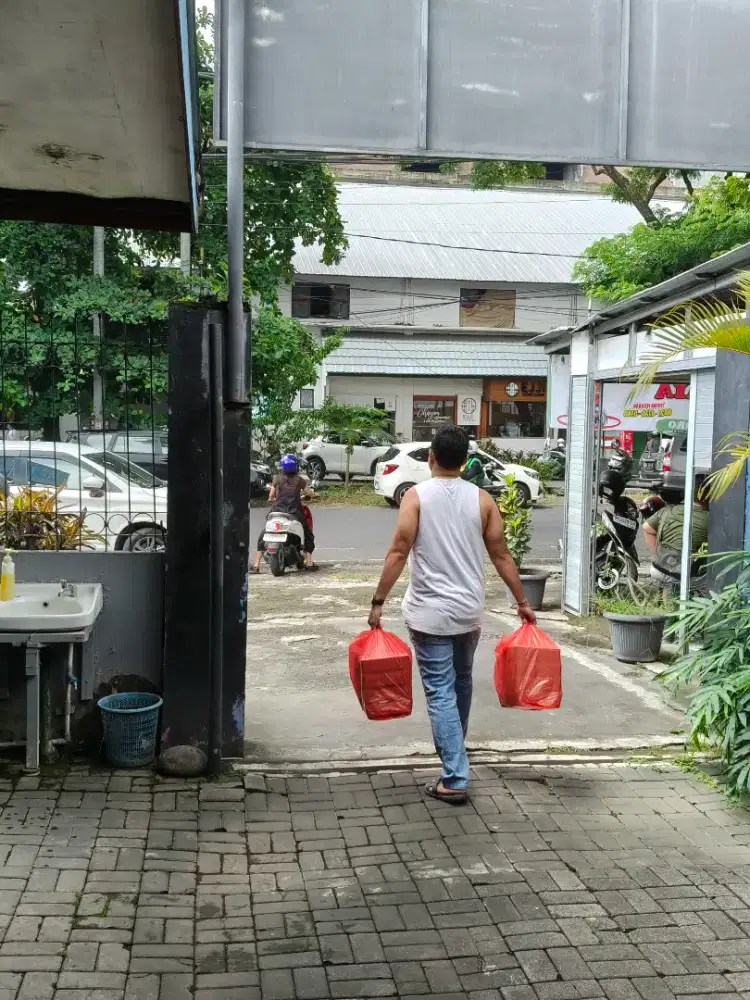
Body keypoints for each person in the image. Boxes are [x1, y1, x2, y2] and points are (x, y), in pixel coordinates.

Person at [367, 425, 536, 806]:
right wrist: (522, 602)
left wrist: (378, 601)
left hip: (429, 614)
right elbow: (501, 555)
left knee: (441, 691)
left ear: (431, 457)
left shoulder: (416, 497)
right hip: (468, 612)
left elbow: (398, 551)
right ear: (465, 461)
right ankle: (456, 752)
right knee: (460, 682)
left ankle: (455, 777)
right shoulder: (482, 500)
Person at [251, 454, 318, 573]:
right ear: (296, 466)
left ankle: (256, 565)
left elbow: (271, 496)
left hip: (276, 512)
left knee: (264, 533)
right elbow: (309, 493)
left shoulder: (277, 478)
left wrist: (272, 499)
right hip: (294, 513)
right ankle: (309, 562)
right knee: (308, 534)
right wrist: (315, 494)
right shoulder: (299, 480)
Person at [643, 483, 709, 579]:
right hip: (685, 575)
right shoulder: (711, 519)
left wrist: (655, 554)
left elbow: (647, 528)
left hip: (658, 568)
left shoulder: (668, 510)